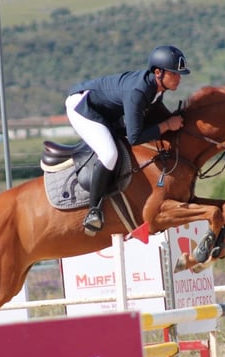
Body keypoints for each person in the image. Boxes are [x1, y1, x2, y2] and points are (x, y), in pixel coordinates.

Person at [65, 45, 190, 233]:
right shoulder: (138, 92)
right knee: (109, 154)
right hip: (83, 107)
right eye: (174, 74)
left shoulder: (156, 88)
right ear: (158, 72)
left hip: (106, 111)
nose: (179, 78)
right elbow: (135, 137)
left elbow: (156, 113)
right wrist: (166, 125)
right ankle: (93, 211)